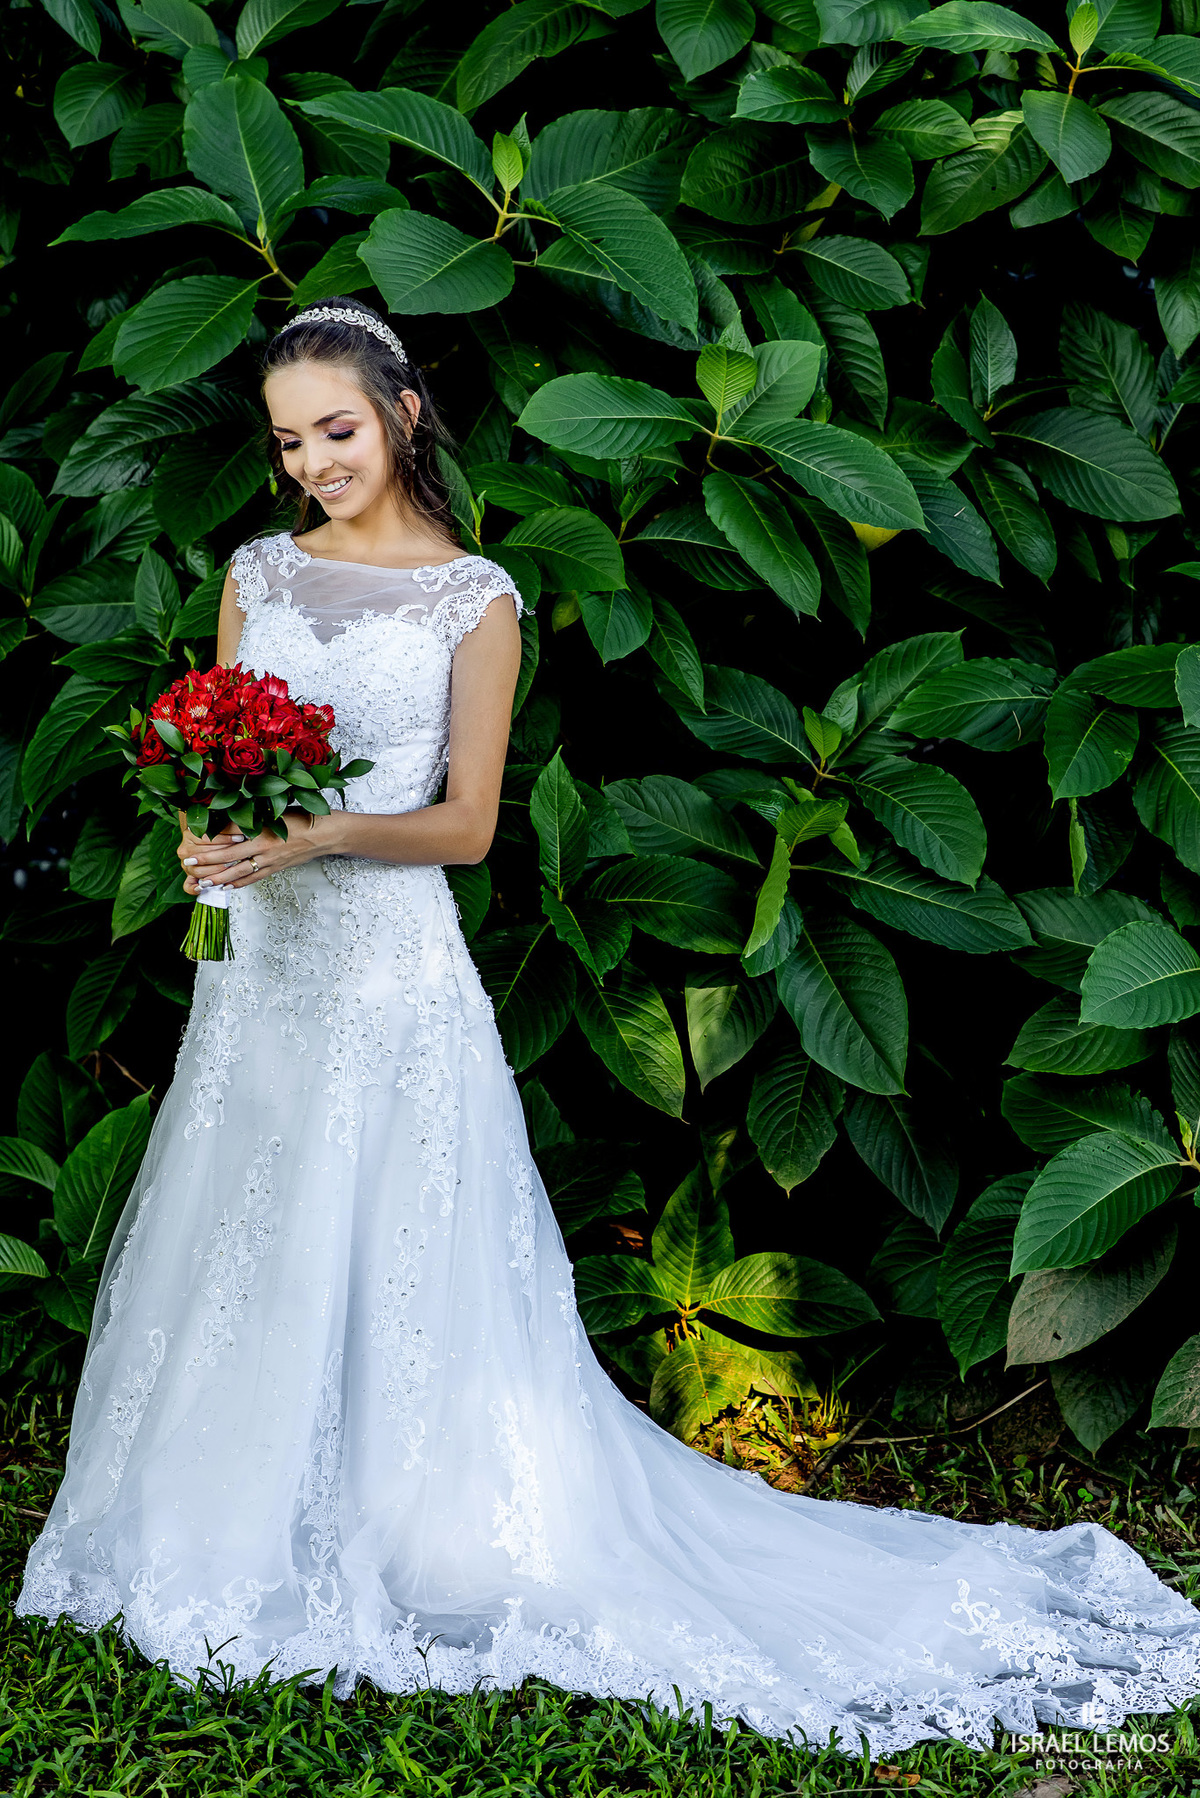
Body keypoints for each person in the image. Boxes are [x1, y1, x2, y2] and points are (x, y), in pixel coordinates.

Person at [17, 297, 1200, 1762]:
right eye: (288, 441)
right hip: (260, 957)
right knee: (248, 1214)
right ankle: (219, 1510)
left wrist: (308, 832)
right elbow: (222, 725)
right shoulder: (259, 571)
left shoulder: (476, 599)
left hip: (386, 967)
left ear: (401, 412)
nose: (315, 461)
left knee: (382, 1233)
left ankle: (418, 1525)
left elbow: (462, 826)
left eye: (336, 428)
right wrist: (213, 824)